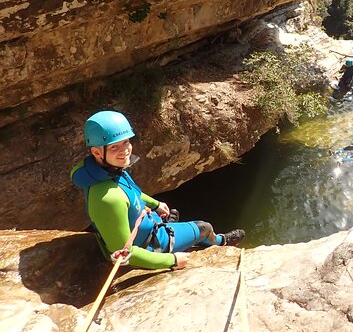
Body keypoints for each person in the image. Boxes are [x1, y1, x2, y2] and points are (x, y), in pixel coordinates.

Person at [71, 110, 245, 271]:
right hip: (150, 243)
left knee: (171, 212)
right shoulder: (107, 199)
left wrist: (155, 205)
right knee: (204, 227)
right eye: (114, 147)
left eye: (126, 142)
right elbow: (124, 253)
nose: (125, 151)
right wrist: (172, 260)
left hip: (145, 225)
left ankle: (167, 223)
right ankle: (221, 241)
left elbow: (132, 194)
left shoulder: (104, 172)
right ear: (96, 152)